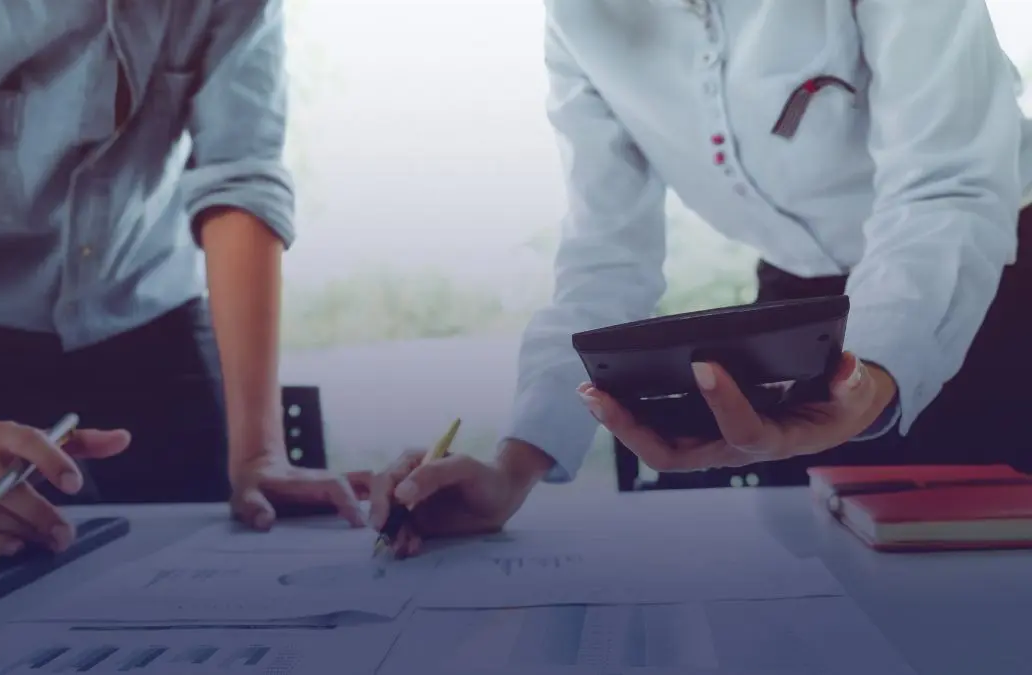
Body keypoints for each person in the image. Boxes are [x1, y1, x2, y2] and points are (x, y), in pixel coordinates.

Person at [369, 0, 1032, 557]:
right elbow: (606, 254)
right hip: (805, 309)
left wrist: (875, 376)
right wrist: (511, 468)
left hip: (1004, 284)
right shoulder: (577, 17)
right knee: (822, 593)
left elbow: (947, 189)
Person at [0, 0, 370, 558]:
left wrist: (261, 453)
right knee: (6, 580)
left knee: (216, 566)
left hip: (150, 307)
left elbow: (240, 175)